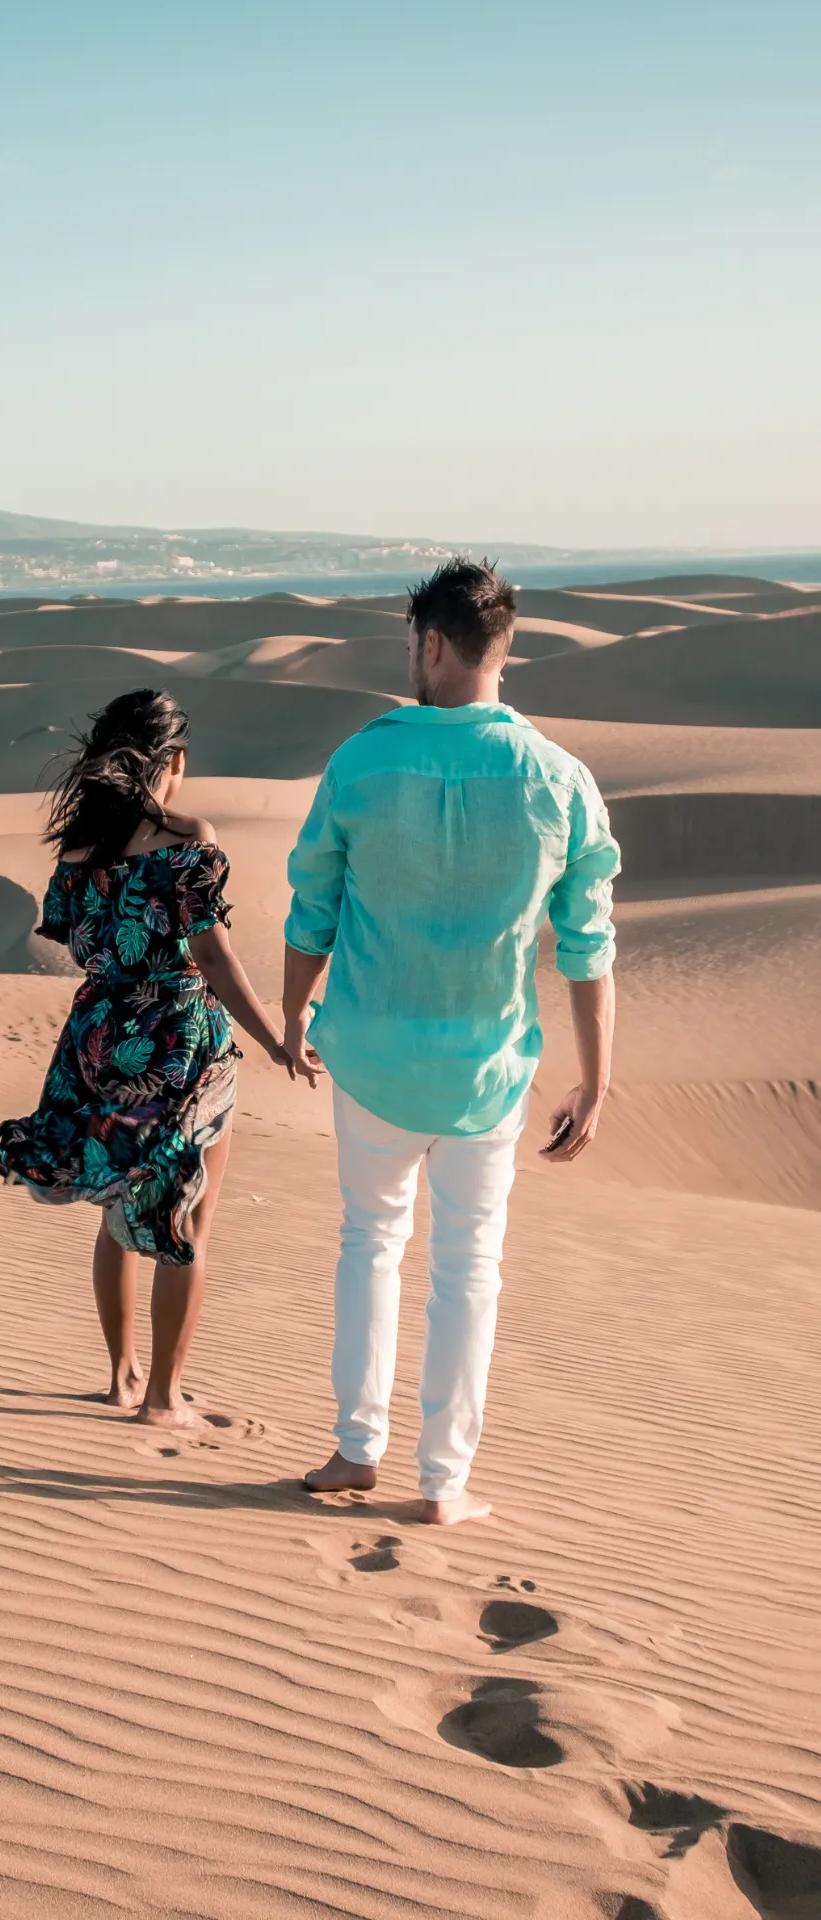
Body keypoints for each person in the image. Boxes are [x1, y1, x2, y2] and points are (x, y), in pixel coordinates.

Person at [281, 558, 620, 1523]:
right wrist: (595, 1080)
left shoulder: (361, 762)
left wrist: (296, 1012)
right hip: (487, 1069)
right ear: (500, 649)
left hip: (372, 1057)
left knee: (370, 1242)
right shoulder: (559, 779)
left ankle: (357, 1450)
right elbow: (589, 945)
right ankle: (444, 1484)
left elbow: (313, 906)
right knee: (469, 1267)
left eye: (411, 642)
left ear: (432, 643)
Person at [0, 688, 301, 1429]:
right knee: (185, 1218)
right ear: (173, 760)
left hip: (96, 1039)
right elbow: (213, 957)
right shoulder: (186, 837)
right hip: (179, 1040)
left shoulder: (77, 848)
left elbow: (77, 941)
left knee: (117, 1211)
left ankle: (121, 1379)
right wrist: (275, 1038)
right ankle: (164, 1399)